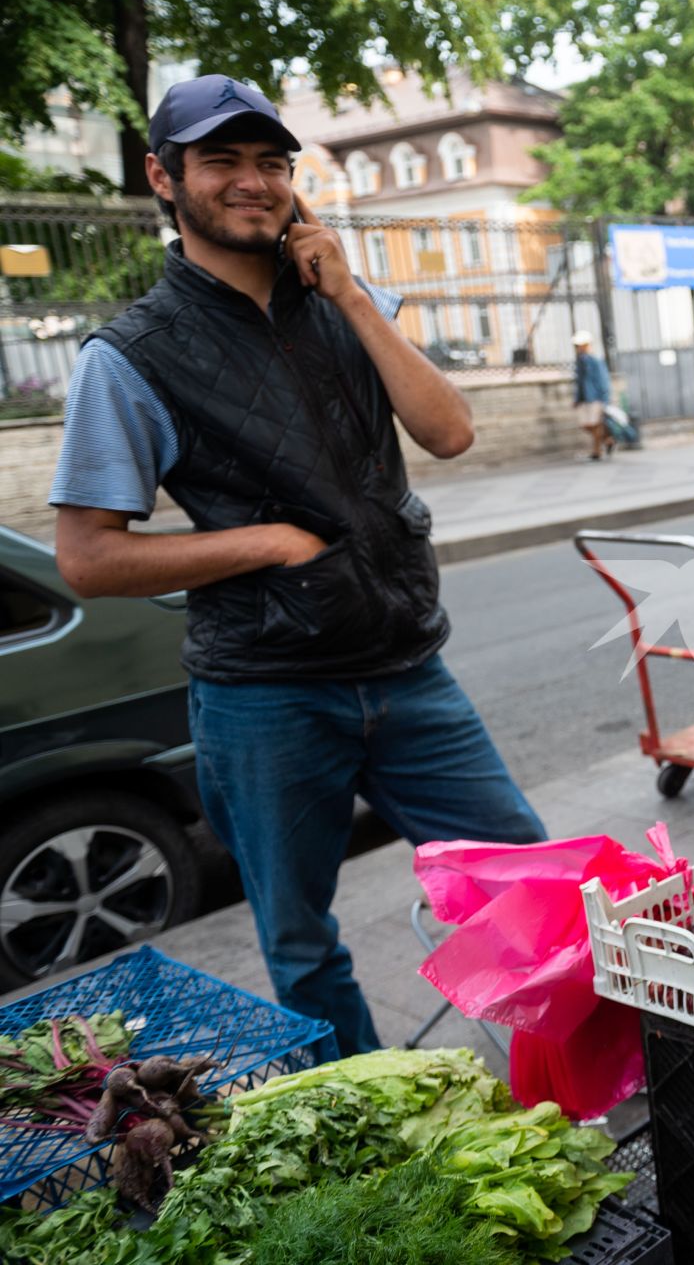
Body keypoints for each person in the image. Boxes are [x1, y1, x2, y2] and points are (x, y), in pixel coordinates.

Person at [45, 74, 546, 1057]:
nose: (252, 183)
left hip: (409, 674)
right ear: (163, 176)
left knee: (531, 873)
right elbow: (88, 558)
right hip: (266, 695)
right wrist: (266, 544)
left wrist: (351, 292)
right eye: (221, 161)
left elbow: (449, 431)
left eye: (271, 162)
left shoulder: (346, 307)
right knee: (302, 941)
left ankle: (571, 1069)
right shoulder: (132, 356)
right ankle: (378, 1134)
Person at [573, 330, 613, 460]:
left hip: (596, 398)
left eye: (580, 345)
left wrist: (604, 400)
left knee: (595, 425)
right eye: (577, 346)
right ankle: (607, 440)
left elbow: (603, 381)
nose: (578, 348)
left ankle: (596, 452)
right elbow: (579, 382)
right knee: (586, 425)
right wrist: (577, 398)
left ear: (587, 345)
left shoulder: (595, 360)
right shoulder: (580, 361)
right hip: (584, 399)